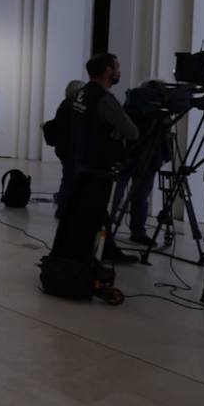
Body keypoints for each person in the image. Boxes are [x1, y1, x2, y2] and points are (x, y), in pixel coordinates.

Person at [59, 53, 139, 265]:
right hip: (99, 164)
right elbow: (132, 131)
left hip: (81, 160)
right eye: (117, 67)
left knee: (92, 209)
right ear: (107, 71)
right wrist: (118, 130)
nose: (119, 71)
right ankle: (94, 254)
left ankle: (107, 249)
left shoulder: (82, 93)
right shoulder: (104, 98)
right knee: (95, 209)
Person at [115, 80, 174, 247]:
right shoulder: (134, 109)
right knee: (132, 196)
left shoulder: (133, 107)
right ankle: (128, 231)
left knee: (132, 196)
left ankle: (131, 231)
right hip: (132, 157)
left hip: (142, 158)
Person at [46, 79, 83, 218]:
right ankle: (63, 210)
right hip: (69, 149)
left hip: (66, 148)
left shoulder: (67, 104)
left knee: (69, 177)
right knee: (69, 178)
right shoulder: (71, 107)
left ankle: (64, 207)